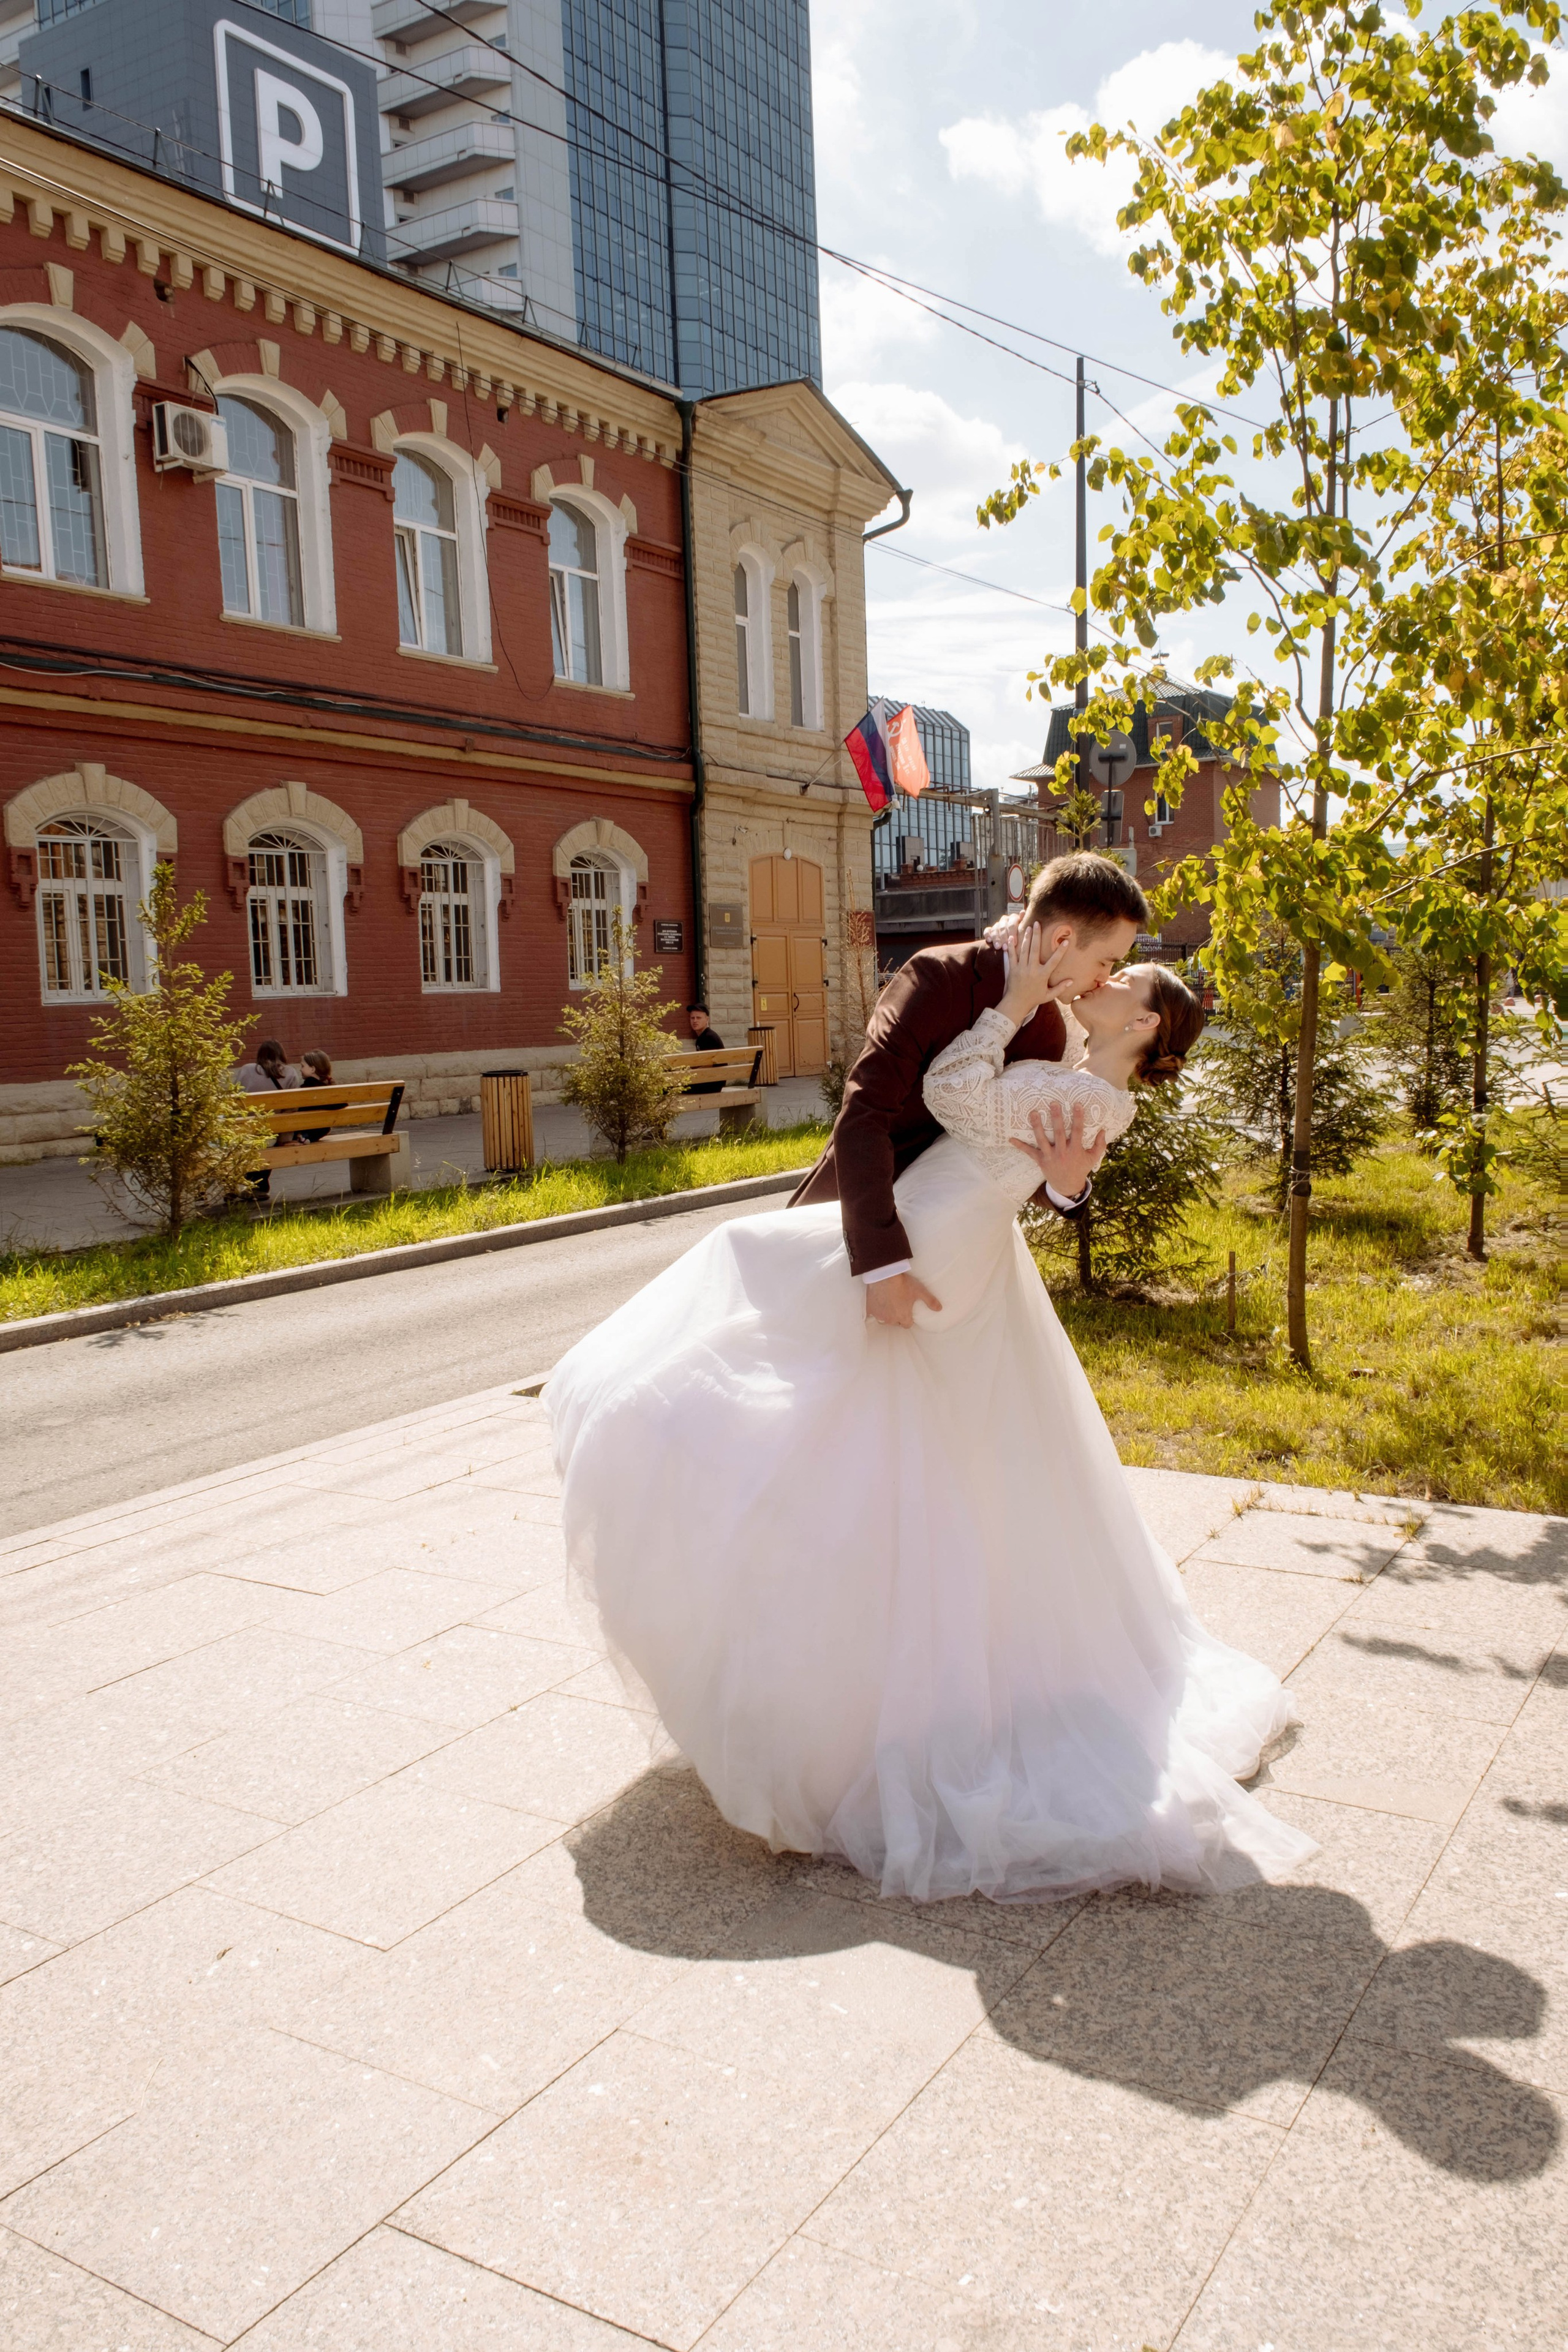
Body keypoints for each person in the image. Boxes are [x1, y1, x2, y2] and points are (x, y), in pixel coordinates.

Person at [546, 925, 1316, 1904]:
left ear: (1148, 1021)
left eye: (1125, 980)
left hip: (940, 1244)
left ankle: (816, 1645)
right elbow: (1042, 1161)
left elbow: (955, 1096)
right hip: (958, 1238)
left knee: (754, 1289)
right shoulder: (1087, 1082)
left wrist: (1004, 1008)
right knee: (878, 1422)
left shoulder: (1079, 1092)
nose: (1106, 980)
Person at [791, 851, 1148, 1327]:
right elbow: (864, 1114)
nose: (1105, 977)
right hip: (853, 1228)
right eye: (1106, 960)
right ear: (1063, 938)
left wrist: (1069, 1189)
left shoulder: (1053, 1028)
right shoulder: (939, 977)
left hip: (955, 1254)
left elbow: (1015, 1151)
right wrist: (881, 1268)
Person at [234, 1039, 301, 1201]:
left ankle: (245, 1184)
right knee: (269, 1142)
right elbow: (292, 1109)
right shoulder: (290, 1073)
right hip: (270, 1134)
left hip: (243, 1132)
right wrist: (285, 1138)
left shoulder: (246, 1070)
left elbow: (234, 1099)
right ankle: (260, 1186)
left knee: (252, 1144)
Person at [684, 1004, 726, 1096]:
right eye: (692, 1018)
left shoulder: (709, 1038)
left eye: (698, 1018)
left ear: (707, 1019)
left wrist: (687, 1075)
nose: (695, 1021)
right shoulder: (703, 1037)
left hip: (711, 1083)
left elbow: (708, 1066)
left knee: (671, 1087)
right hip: (710, 1081)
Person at [296, 1048, 334, 1145]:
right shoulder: (331, 1088)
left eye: (303, 1066)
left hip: (307, 1128)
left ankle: (304, 1137)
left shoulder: (305, 1089)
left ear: (313, 1069)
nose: (300, 1069)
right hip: (322, 1129)